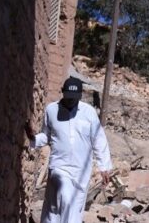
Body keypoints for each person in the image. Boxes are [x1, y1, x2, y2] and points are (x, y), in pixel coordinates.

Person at [28, 77, 113, 223]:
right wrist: (33, 139)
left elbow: (99, 140)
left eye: (74, 98)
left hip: (81, 171)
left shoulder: (89, 113)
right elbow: (46, 136)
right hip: (59, 167)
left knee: (70, 207)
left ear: (80, 96)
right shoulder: (52, 110)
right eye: (68, 97)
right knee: (67, 199)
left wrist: (104, 166)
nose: (71, 101)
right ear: (63, 93)